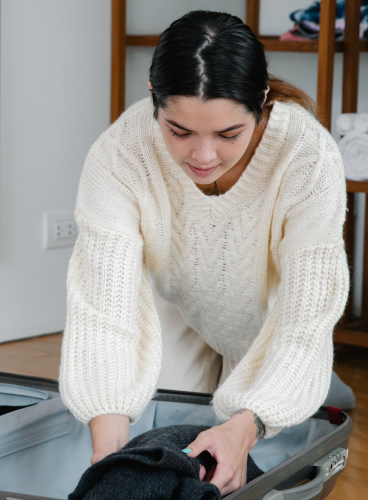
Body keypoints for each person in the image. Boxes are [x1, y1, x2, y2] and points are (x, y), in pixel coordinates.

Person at [59, 10, 350, 496]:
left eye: (228, 134)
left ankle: (330, 390)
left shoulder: (307, 156)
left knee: (262, 453)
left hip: (268, 325)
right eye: (180, 131)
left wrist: (250, 423)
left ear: (260, 102)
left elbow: (305, 319)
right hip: (181, 308)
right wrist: (109, 455)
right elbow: (103, 308)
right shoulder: (118, 154)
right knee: (159, 443)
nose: (204, 156)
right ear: (154, 95)